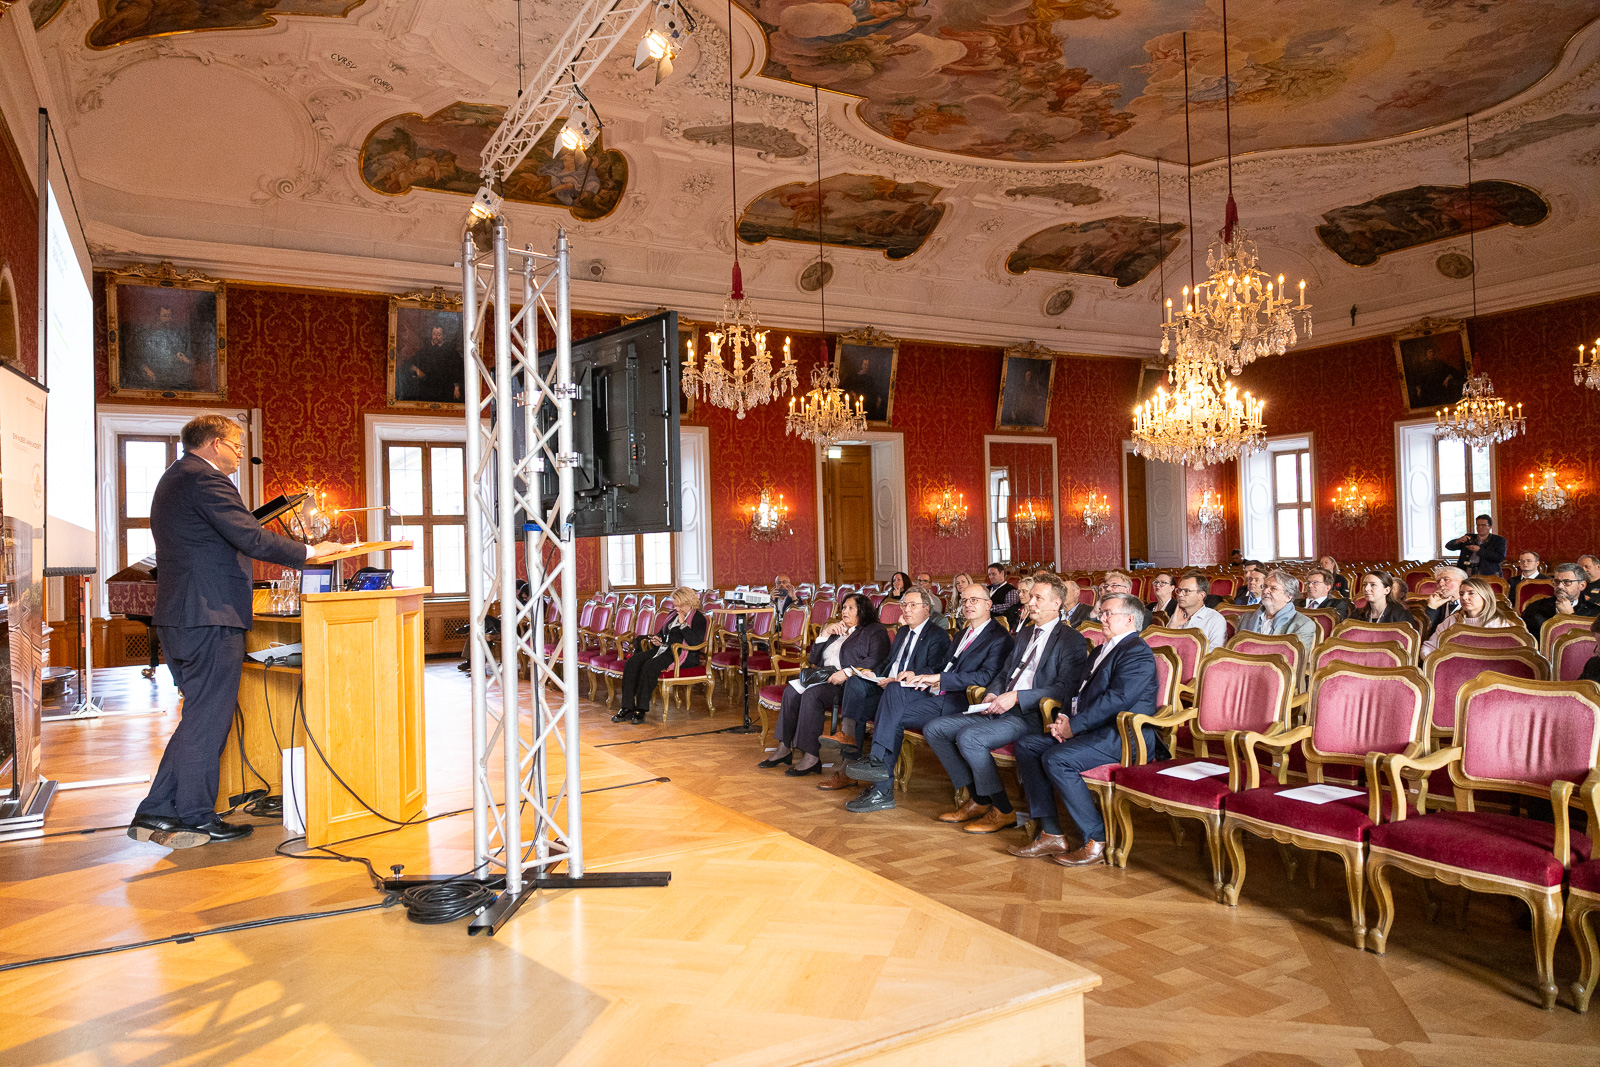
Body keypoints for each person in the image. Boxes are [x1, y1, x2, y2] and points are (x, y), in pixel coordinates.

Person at [128, 415, 340, 850]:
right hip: (209, 615)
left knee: (199, 716)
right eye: (237, 446)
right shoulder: (204, 478)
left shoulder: (175, 477)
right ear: (213, 443)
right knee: (208, 719)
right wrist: (311, 551)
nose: (241, 454)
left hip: (182, 615)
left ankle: (157, 808)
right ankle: (196, 816)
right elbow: (251, 538)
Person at [916, 573, 1088, 835]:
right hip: (999, 705)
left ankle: (1003, 809)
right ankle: (979, 799)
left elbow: (1064, 688)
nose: (1030, 602)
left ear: (1056, 604)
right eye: (1031, 597)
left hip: (1030, 714)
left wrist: (1017, 697)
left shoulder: (1070, 638)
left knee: (970, 737)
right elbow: (1005, 672)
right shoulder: (1025, 633)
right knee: (935, 729)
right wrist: (993, 693)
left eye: (1038, 598)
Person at [1009, 592, 1165, 866]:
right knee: (1027, 746)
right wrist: (1063, 718)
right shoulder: (1102, 649)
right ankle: (1051, 833)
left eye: (1108, 613)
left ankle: (1097, 839)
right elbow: (1076, 690)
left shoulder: (1136, 652)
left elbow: (1116, 700)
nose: (1101, 618)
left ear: (1129, 619)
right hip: (1091, 730)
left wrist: (1074, 726)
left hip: (1123, 735)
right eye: (1101, 613)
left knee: (1057, 759)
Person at [841, 584, 1012, 813]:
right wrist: (918, 674)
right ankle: (881, 786)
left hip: (961, 700)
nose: (968, 605)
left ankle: (879, 778)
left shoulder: (999, 637)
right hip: (939, 694)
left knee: (892, 707)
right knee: (893, 700)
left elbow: (985, 676)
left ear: (989, 604)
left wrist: (940, 679)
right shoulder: (963, 634)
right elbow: (944, 666)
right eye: (964, 600)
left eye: (974, 600)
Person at [820, 587, 950, 789]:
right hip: (885, 685)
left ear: (926, 609)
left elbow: (935, 669)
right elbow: (889, 661)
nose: (906, 609)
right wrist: (873, 673)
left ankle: (855, 767)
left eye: (912, 605)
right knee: (854, 681)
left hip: (909, 692)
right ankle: (848, 742)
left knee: (863, 706)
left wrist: (898, 680)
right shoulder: (903, 632)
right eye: (904, 605)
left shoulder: (937, 635)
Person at [761, 594, 890, 776]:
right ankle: (784, 748)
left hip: (849, 683)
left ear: (863, 611)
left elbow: (876, 659)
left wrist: (847, 672)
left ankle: (811, 756)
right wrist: (825, 633)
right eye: (843, 607)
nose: (845, 611)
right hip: (823, 677)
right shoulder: (837, 628)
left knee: (812, 695)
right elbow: (813, 659)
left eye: (850, 608)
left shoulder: (874, 630)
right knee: (790, 692)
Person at [611, 587, 707, 724]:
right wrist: (657, 638)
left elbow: (695, 642)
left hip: (682, 655)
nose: (677, 609)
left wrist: (683, 625)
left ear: (689, 602)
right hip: (664, 649)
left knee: (649, 666)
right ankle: (627, 707)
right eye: (676, 605)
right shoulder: (673, 614)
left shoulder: (699, 618)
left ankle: (640, 710)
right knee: (632, 662)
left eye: (680, 605)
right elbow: (663, 633)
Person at [1422, 577, 1514, 657]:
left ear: (1485, 596)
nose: (1464, 598)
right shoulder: (1452, 620)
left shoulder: (1499, 624)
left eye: (1471, 593)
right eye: (1461, 594)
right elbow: (1429, 647)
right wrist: (1436, 663)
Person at [1238, 570, 1320, 659]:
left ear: (1288, 596)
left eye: (1273, 588)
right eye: (1265, 586)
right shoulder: (1246, 617)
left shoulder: (1302, 624)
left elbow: (1294, 659)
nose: (1265, 591)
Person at [1522, 562, 1598, 640]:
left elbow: (1587, 643)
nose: (1560, 586)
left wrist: (1570, 616)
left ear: (1582, 585)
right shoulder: (1535, 608)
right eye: (1556, 582)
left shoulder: (1596, 613)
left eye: (1567, 582)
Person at [1168, 572, 1226, 650]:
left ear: (1201, 595)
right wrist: (1172, 626)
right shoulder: (1177, 616)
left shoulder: (1215, 619)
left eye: (1186, 591)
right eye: (1179, 590)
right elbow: (1164, 648)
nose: (1180, 595)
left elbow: (1215, 653)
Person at [1354, 571, 1418, 628]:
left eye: (1373, 585)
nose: (1366, 589)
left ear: (1387, 590)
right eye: (1364, 585)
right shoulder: (1357, 614)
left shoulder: (1400, 614)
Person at [1420, 566, 1467, 639]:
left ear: (1463, 582)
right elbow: (1425, 633)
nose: (1441, 584)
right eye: (1438, 581)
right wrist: (1432, 608)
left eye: (1446, 579)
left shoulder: (1472, 604)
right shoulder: (1438, 605)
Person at [986, 564, 1021, 631]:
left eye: (993, 574)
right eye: (989, 574)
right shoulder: (987, 588)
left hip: (1000, 625)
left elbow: (1011, 606)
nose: (990, 577)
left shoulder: (1010, 589)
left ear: (1002, 573)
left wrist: (990, 608)